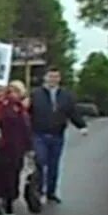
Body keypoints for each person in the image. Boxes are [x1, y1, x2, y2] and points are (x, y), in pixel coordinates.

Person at [29, 67, 88, 204]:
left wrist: (81, 126)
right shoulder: (36, 94)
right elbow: (27, 113)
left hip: (57, 135)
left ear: (59, 79)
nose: (53, 79)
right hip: (39, 134)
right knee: (40, 161)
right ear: (45, 78)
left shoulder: (66, 95)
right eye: (50, 76)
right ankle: (39, 191)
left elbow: (72, 112)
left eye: (56, 77)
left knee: (53, 165)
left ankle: (51, 192)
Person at [0, 83, 32, 215]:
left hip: (12, 149)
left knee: (10, 180)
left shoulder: (14, 105)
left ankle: (8, 207)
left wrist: (28, 147)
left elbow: (24, 126)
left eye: (0, 90)